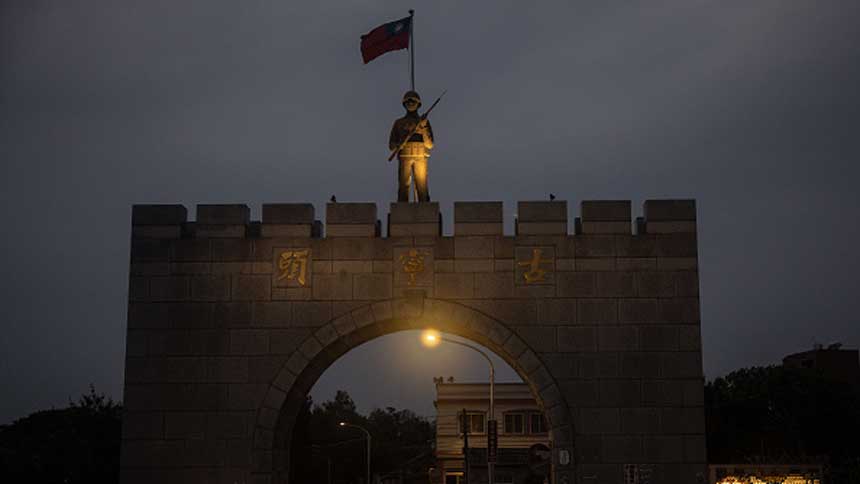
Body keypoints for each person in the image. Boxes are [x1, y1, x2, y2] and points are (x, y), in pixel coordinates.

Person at [389, 90, 434, 202]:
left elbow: (429, 144)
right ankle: (402, 210)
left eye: (413, 101)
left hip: (420, 157)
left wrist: (424, 128)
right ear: (404, 104)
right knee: (404, 186)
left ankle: (425, 209)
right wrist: (399, 144)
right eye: (408, 101)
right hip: (404, 157)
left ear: (418, 104)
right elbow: (391, 145)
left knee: (422, 186)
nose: (410, 103)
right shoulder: (398, 123)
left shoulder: (424, 122)